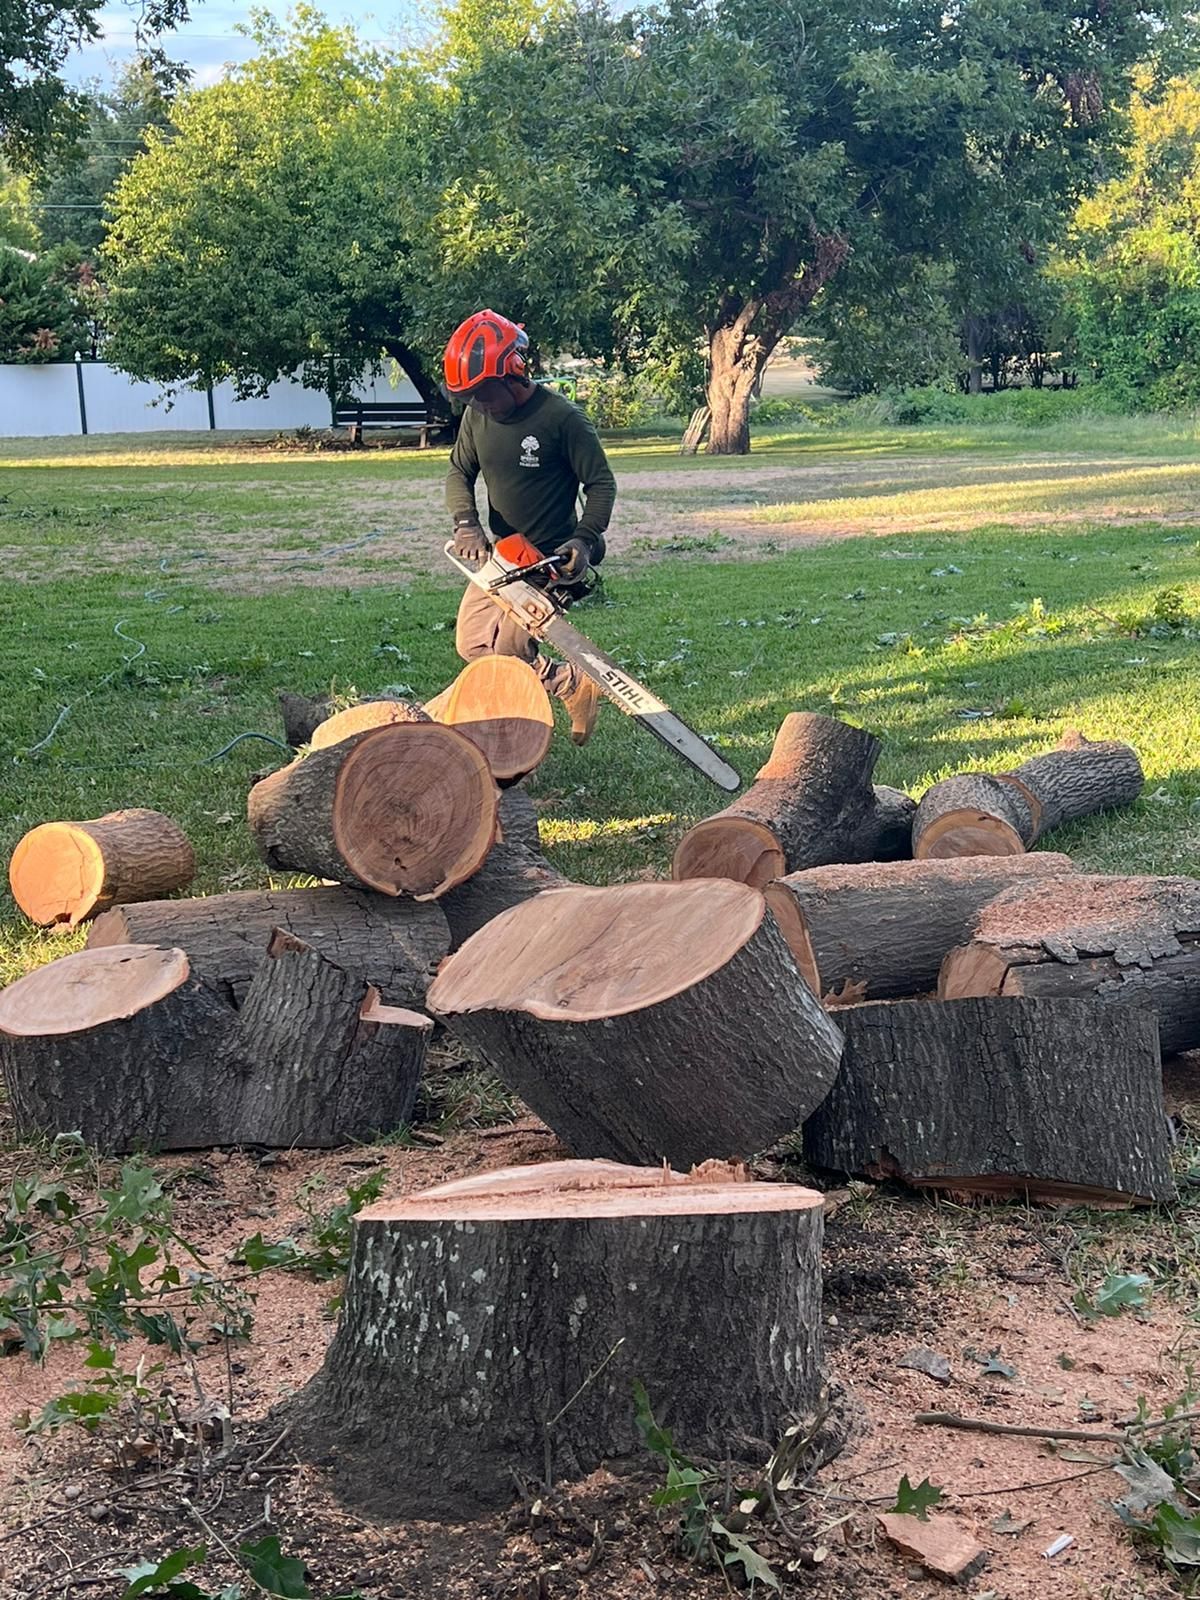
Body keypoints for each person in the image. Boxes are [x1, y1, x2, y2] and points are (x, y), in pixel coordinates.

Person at [443, 309, 617, 745]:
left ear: (514, 372)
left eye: (485, 392)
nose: (479, 404)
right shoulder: (476, 418)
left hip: (550, 557)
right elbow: (458, 472)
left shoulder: (562, 419)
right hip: (503, 553)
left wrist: (585, 536)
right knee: (472, 644)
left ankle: (515, 746)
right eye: (469, 396)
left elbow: (601, 483)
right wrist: (467, 525)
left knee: (510, 651)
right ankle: (566, 683)